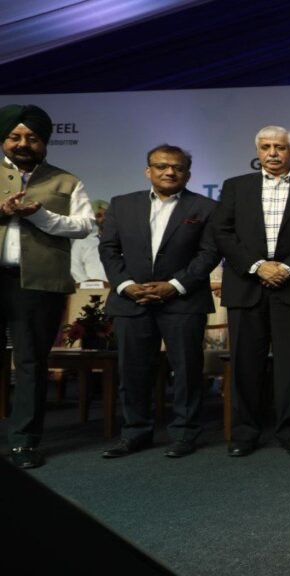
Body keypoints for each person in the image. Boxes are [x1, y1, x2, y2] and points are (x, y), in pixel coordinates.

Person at [213, 126, 290, 457]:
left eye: (280, 147)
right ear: (257, 151)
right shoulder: (235, 186)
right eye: (266, 147)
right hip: (246, 285)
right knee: (245, 363)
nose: (273, 153)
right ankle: (245, 432)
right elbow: (222, 233)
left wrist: (286, 268)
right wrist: (257, 266)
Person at [98, 144, 220, 459]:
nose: (169, 172)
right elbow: (109, 249)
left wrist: (175, 285)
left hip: (183, 300)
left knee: (187, 371)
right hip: (131, 300)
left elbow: (209, 253)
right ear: (148, 171)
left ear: (188, 174)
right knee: (133, 371)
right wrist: (126, 285)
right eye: (161, 166)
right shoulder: (121, 204)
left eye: (177, 167)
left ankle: (184, 434)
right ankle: (135, 433)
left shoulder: (206, 207)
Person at [0, 104, 94, 469]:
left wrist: (39, 214)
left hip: (37, 285)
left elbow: (83, 226)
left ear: (44, 142)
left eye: (32, 138)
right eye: (15, 137)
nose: (23, 144)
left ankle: (24, 442)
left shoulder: (66, 181)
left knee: (30, 363)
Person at [70, 199, 108, 283]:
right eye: (99, 216)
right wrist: (87, 284)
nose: (104, 218)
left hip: (121, 287)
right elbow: (75, 266)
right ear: (94, 219)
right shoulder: (82, 241)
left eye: (107, 214)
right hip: (90, 287)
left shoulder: (123, 240)